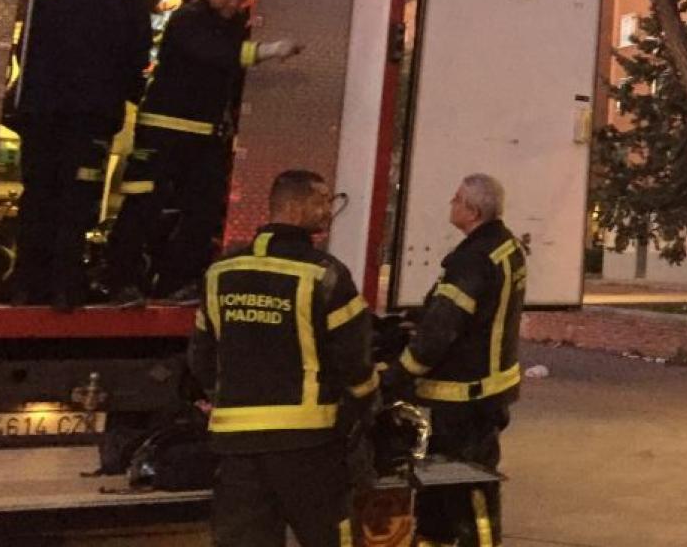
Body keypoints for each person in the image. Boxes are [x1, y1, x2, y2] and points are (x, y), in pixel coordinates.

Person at [187, 168, 378, 547]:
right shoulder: (325, 275)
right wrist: (364, 406)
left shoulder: (221, 273)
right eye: (322, 201)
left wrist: (225, 397)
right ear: (294, 205)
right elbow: (355, 361)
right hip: (307, 446)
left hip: (237, 446)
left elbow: (201, 355)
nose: (328, 211)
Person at [106, 0, 302, 301]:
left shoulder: (232, 25)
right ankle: (121, 280)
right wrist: (267, 51)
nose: (234, 4)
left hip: (207, 133)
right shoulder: (188, 19)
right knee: (144, 204)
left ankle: (175, 282)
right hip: (164, 129)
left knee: (203, 211)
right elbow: (215, 54)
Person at [383, 174, 526, 547]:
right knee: (441, 483)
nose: (452, 202)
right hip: (490, 391)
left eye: (457, 199)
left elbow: (439, 333)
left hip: (463, 398)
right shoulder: (505, 247)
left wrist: (397, 376)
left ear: (473, 211)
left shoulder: (472, 260)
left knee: (466, 483)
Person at [10, 0, 153, 310]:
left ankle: (26, 283)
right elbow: (137, 60)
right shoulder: (129, 2)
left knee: (38, 192)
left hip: (40, 114)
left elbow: (20, 48)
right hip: (92, 119)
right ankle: (66, 287)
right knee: (77, 198)